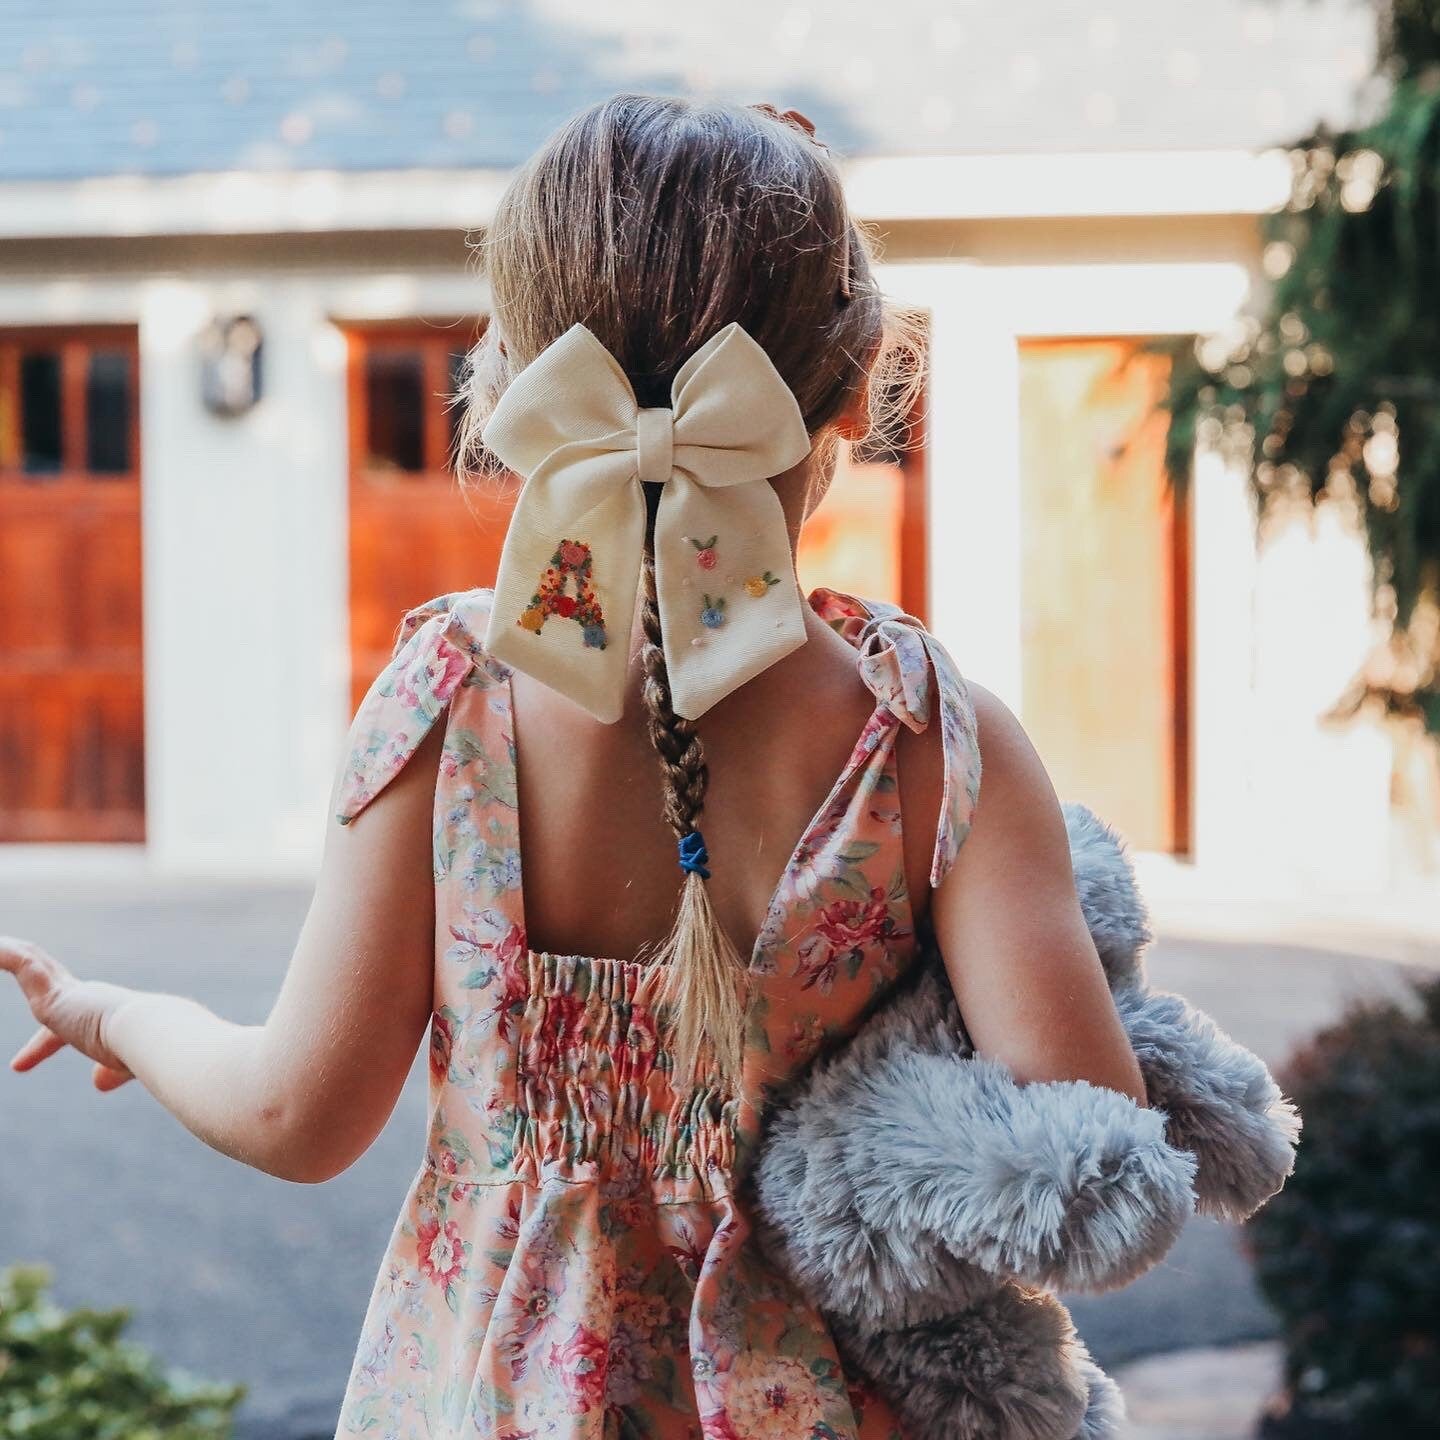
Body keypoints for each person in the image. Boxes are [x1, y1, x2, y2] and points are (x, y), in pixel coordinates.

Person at [0, 93, 1147, 1439]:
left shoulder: (450, 699)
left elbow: (293, 1114)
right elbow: (1085, 1158)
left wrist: (112, 1014)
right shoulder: (932, 736)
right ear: (854, 384)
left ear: (517, 383)